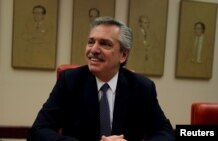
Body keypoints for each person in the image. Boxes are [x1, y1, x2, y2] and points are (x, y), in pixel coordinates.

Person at [27, 16, 175, 141]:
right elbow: (38, 132)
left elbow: (165, 133)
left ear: (123, 55)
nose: (94, 50)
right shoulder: (70, 81)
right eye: (91, 42)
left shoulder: (142, 87)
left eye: (105, 44)